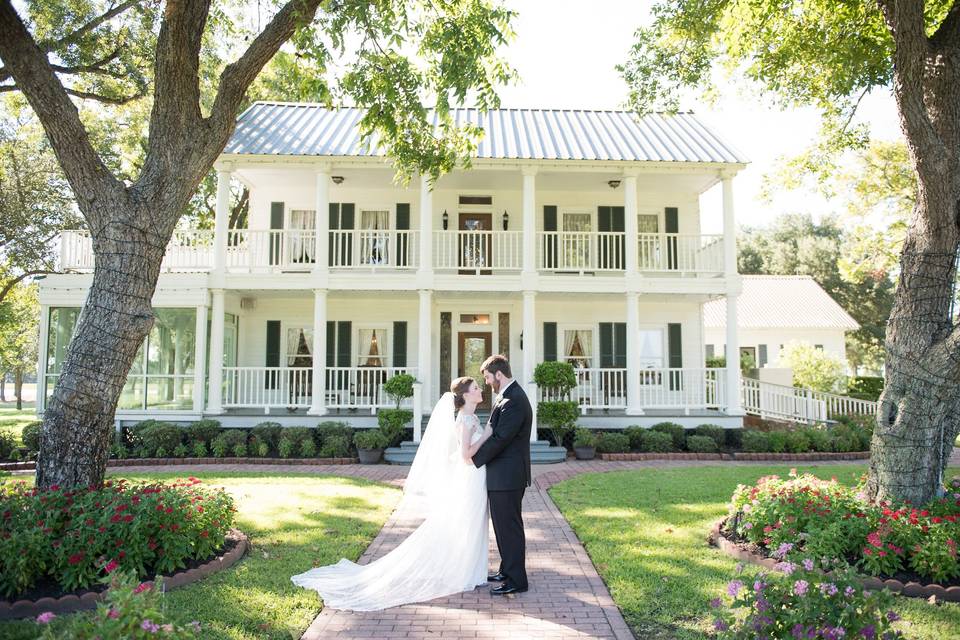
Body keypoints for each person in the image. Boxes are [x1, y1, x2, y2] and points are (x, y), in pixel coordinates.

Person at [290, 377, 493, 611]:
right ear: (466, 395)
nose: (481, 390)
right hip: (470, 478)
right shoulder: (465, 421)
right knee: (466, 523)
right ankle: (464, 572)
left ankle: (470, 570)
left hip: (475, 478)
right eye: (476, 388)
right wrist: (487, 435)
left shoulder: (472, 417)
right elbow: (466, 455)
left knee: (472, 524)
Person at [471, 354, 533, 595]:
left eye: (487, 377)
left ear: (499, 374)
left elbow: (501, 439)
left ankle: (517, 580)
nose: (486, 382)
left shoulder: (514, 399)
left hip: (508, 476)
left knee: (509, 528)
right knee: (503, 527)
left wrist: (473, 458)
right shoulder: (506, 396)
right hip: (502, 474)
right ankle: (507, 570)